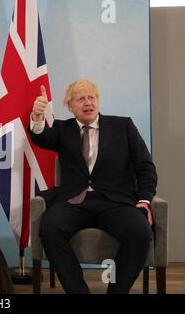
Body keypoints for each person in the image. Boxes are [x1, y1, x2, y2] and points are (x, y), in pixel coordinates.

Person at [28, 78, 157, 294]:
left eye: (92, 97)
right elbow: (41, 137)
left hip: (115, 202)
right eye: (80, 99)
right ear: (70, 106)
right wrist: (38, 117)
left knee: (140, 232)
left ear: (98, 101)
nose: (88, 103)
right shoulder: (63, 128)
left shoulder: (123, 126)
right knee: (50, 229)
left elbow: (145, 167)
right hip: (73, 202)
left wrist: (144, 200)